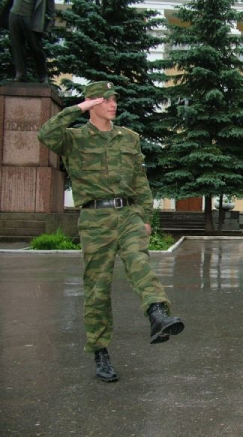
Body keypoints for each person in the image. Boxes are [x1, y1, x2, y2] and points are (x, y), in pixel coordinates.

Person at [38, 81, 184, 382]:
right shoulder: (74, 139)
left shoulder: (129, 138)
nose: (113, 104)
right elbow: (45, 134)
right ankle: (100, 351)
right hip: (95, 219)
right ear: (92, 104)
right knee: (97, 289)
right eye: (105, 100)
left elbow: (140, 181)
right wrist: (79, 108)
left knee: (138, 261)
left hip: (128, 213)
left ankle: (157, 314)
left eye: (114, 99)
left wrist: (145, 216)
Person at [1, 0, 55, 83]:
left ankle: (43, 75)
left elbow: (51, 14)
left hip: (32, 21)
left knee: (36, 48)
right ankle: (20, 74)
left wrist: (47, 30)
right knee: (17, 48)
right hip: (14, 17)